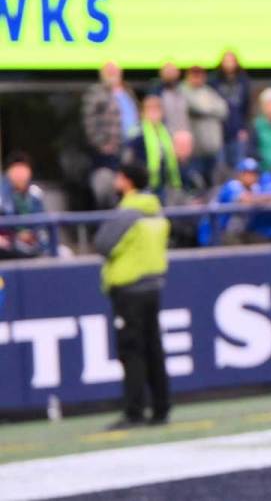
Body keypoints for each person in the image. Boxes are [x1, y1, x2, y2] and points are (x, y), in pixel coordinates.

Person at [93, 163, 171, 430]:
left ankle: (134, 411)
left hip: (129, 288)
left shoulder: (127, 213)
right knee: (154, 348)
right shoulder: (155, 210)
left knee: (132, 351)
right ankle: (161, 407)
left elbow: (102, 244)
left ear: (127, 181)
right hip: (153, 285)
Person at [82, 61, 138, 208]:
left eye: (115, 71)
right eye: (109, 71)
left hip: (129, 149)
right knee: (107, 192)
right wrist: (103, 146)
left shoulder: (127, 92)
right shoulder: (96, 93)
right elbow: (89, 122)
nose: (113, 74)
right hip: (107, 153)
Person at [213, 158, 271, 245]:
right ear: (240, 174)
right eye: (247, 173)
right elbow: (245, 200)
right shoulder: (232, 185)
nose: (250, 177)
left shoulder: (255, 188)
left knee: (264, 243)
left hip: (243, 232)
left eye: (253, 173)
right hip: (221, 232)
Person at [126, 95, 182, 201]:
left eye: (157, 110)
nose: (154, 113)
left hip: (163, 180)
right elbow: (131, 158)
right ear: (143, 113)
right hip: (144, 182)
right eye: (150, 110)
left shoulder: (166, 132)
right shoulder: (137, 132)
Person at [179, 66, 228, 185]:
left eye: (200, 75)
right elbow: (199, 107)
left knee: (214, 181)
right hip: (195, 149)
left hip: (213, 147)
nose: (197, 78)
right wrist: (211, 110)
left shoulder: (208, 91)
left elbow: (224, 109)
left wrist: (208, 110)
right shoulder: (183, 90)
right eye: (194, 75)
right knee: (196, 182)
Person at [0, 152, 48, 259]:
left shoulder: (34, 193)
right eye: (16, 168)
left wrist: (34, 237)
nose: (20, 173)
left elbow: (42, 226)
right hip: (8, 246)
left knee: (63, 253)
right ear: (9, 171)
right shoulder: (2, 193)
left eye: (24, 168)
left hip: (32, 245)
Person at [212, 50, 252, 170]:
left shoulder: (243, 81)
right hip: (219, 130)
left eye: (231, 61)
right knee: (220, 166)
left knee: (239, 165)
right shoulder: (214, 82)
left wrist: (244, 128)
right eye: (226, 61)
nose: (229, 64)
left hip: (237, 130)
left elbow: (247, 107)